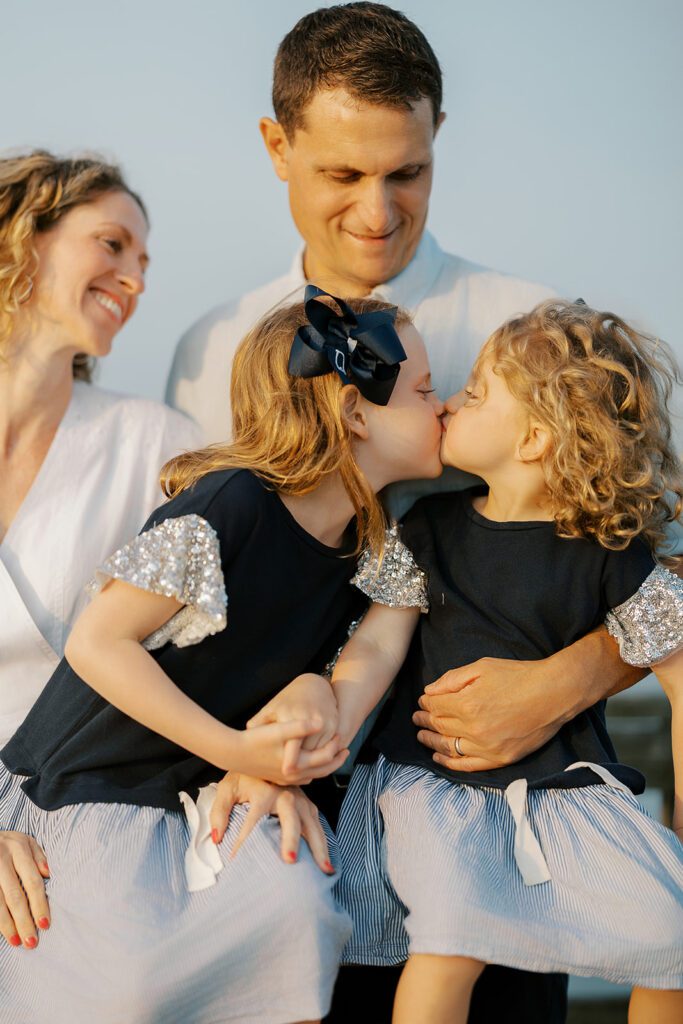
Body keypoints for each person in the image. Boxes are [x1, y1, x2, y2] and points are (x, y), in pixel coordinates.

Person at [167, 6, 676, 1018]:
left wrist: (557, 682)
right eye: (342, 175)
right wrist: (248, 752)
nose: (376, 210)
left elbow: (657, 572)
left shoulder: (527, 328)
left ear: (438, 132)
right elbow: (196, 595)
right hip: (291, 813)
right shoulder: (216, 344)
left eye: (406, 171)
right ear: (276, 147)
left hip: (502, 807)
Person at [0, 289, 444, 1024]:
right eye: (426, 390)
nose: (445, 405)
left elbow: (372, 647)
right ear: (355, 413)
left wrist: (312, 716)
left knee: (292, 925)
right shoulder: (232, 504)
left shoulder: (372, 547)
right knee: (120, 989)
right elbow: (97, 642)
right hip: (84, 785)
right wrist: (238, 747)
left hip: (197, 795)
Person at [279, 300, 681, 1023]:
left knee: (671, 937)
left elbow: (679, 678)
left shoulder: (610, 552)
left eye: (476, 392)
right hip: (437, 790)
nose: (452, 402)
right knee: (449, 944)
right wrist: (333, 709)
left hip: (565, 794)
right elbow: (377, 641)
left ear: (531, 439)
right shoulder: (427, 527)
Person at [0, 150, 204, 951]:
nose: (135, 278)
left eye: (145, 261)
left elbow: (227, 644)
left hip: (88, 835)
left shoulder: (158, 446)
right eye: (112, 244)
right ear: (24, 237)